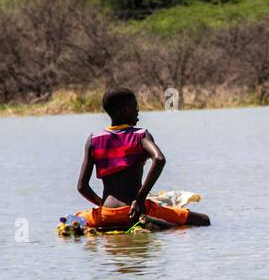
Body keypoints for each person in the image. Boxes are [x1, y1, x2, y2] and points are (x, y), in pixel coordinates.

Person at [74, 88, 211, 228]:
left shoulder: (93, 139)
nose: (138, 111)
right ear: (123, 110)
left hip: (105, 215)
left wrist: (102, 206)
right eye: (135, 106)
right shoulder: (140, 135)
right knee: (204, 220)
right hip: (136, 211)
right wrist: (139, 200)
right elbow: (159, 159)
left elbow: (82, 186)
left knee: (75, 220)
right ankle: (154, 223)